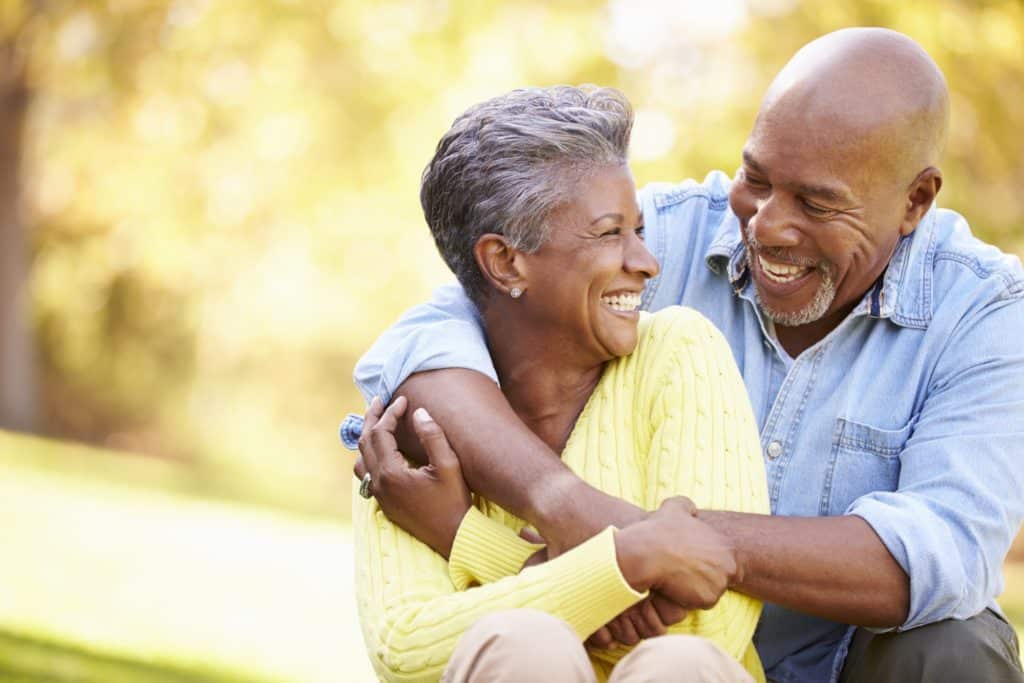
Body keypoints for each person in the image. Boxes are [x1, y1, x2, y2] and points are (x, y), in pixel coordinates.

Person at [348, 28, 1024, 683]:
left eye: (817, 203)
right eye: (755, 178)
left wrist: (649, 546)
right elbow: (432, 340)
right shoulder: (663, 234)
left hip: (838, 663)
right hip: (634, 658)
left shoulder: (986, 312)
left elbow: (938, 553)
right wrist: (565, 505)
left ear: (916, 200)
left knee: (956, 646)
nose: (766, 226)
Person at [347, 85, 770, 682]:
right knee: (522, 647)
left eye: (640, 231)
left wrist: (466, 538)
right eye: (608, 233)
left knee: (678, 665)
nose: (647, 263)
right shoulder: (412, 426)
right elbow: (407, 649)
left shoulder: (679, 352)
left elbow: (710, 627)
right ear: (506, 262)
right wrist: (628, 562)